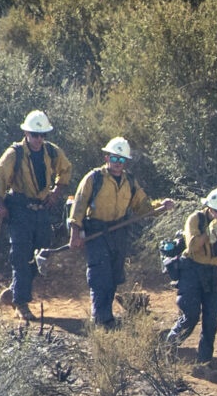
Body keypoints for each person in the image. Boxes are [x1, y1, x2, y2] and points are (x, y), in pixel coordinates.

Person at [66, 137, 172, 329]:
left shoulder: (129, 181)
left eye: (122, 160)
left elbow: (142, 206)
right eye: (115, 158)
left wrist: (160, 207)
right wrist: (75, 232)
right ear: (107, 157)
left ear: (126, 162)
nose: (117, 164)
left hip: (118, 233)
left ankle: (107, 317)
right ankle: (100, 318)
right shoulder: (94, 178)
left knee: (114, 276)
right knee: (100, 275)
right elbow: (79, 205)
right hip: (96, 232)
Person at [0, 111, 72, 323]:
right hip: (20, 210)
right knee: (21, 256)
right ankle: (21, 303)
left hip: (42, 211)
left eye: (42, 134)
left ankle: (16, 289)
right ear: (26, 132)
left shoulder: (52, 152)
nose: (38, 139)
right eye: (34, 134)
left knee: (42, 255)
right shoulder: (14, 153)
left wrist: (55, 193)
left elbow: (66, 170)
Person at [164, 188, 217, 363]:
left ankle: (204, 361)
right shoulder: (195, 219)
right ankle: (168, 350)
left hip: (215, 274)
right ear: (210, 208)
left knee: (211, 320)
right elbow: (193, 246)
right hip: (192, 271)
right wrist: (209, 232)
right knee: (190, 316)